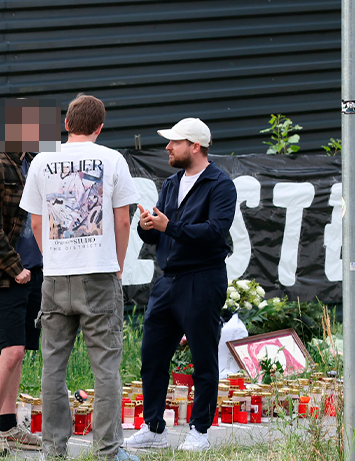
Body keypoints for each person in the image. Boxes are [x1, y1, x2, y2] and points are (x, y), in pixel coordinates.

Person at [19, 94, 141, 461]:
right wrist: (117, 265)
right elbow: (123, 220)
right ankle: (108, 451)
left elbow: (37, 222)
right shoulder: (113, 159)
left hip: (55, 279)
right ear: (100, 127)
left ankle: (53, 450)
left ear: (67, 124)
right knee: (105, 367)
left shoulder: (42, 161)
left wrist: (52, 257)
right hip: (100, 275)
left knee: (53, 366)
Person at [124, 118, 236, 452]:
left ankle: (199, 431)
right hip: (167, 281)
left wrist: (169, 226)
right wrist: (147, 226)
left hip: (202, 279)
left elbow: (215, 232)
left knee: (204, 357)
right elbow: (159, 230)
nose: (168, 148)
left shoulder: (221, 184)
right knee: (152, 356)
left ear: (195, 146)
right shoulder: (172, 183)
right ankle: (154, 428)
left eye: (175, 142)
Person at [0, 134, 45, 454]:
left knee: (21, 351)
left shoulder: (33, 163)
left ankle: (9, 425)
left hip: (34, 272)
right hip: (6, 275)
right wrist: (15, 268)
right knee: (11, 350)